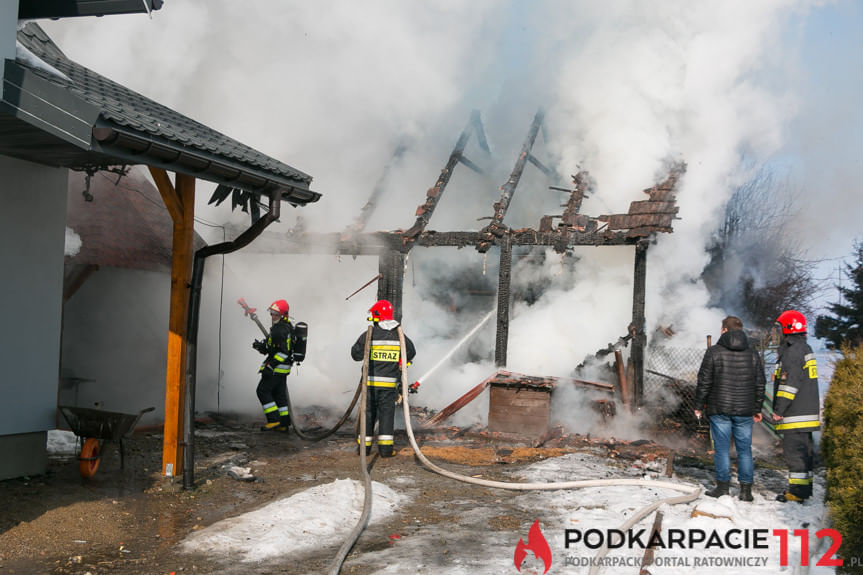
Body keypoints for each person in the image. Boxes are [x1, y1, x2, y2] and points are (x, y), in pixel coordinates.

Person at [694, 316, 766, 501]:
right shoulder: (752, 353)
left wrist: (698, 405)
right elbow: (760, 383)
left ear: (724, 329)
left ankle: (723, 487)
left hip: (720, 409)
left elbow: (704, 381)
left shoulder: (713, 352)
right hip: (745, 410)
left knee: (722, 449)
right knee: (744, 450)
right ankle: (745, 491)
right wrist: (757, 407)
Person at [351, 299, 416, 457]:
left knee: (367, 416)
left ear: (377, 315)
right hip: (388, 386)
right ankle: (386, 450)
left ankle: (364, 449)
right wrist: (401, 361)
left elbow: (355, 355)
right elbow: (411, 351)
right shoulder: (399, 335)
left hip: (370, 385)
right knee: (386, 416)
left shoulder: (369, 334)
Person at [772, 310, 821, 503]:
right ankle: (804, 489)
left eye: (779, 328)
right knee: (804, 453)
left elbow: (788, 385)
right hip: (805, 412)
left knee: (795, 455)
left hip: (795, 414)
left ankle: (797, 493)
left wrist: (778, 410)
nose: (778, 333)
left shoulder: (792, 352)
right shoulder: (804, 348)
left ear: (787, 328)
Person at [252, 299, 294, 431]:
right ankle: (284, 424)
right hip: (283, 368)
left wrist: (270, 365)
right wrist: (261, 347)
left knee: (262, 391)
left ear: (283, 315)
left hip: (277, 368)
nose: (273, 316)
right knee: (279, 394)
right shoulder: (284, 327)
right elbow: (274, 348)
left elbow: (283, 352)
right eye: (271, 313)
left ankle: (274, 419)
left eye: (276, 314)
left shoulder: (279, 329)